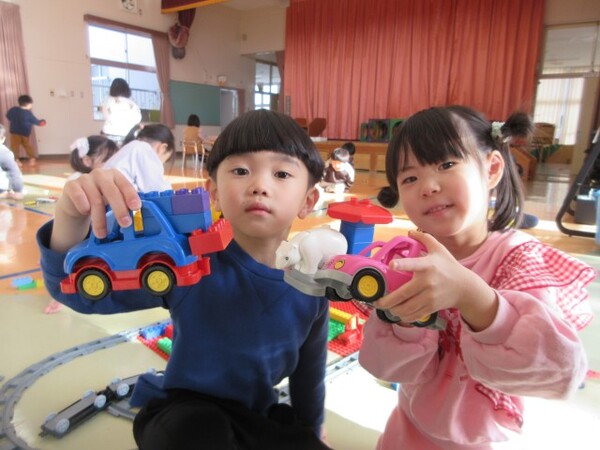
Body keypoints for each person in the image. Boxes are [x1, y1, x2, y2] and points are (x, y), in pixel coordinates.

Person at [36, 109, 330, 449]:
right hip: (186, 413)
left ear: (308, 200)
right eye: (240, 170)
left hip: (257, 416)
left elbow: (309, 376)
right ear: (213, 192)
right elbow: (77, 292)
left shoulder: (312, 285)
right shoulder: (191, 264)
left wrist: (312, 427)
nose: (260, 186)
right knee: (195, 434)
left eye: (281, 173)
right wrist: (70, 216)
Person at [363, 105, 595, 449]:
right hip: (405, 429)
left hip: (480, 442)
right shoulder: (409, 261)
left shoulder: (518, 259)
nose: (428, 186)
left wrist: (473, 297)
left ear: (492, 169)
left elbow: (559, 374)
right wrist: (404, 319)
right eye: (410, 178)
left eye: (446, 165)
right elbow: (384, 367)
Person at [43, 135, 119, 314]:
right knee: (71, 264)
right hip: (81, 233)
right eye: (107, 160)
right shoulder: (80, 181)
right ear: (86, 160)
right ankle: (60, 295)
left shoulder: (99, 179)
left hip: (94, 230)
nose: (112, 164)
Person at [102, 123, 175, 193]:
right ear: (163, 148)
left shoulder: (131, 146)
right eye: (163, 161)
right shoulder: (144, 149)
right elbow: (158, 189)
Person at [5, 94, 46, 167]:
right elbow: (36, 122)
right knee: (27, 146)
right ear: (28, 104)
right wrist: (42, 122)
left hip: (14, 133)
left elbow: (8, 116)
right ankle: (32, 159)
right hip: (24, 134)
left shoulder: (13, 109)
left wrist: (14, 120)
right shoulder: (28, 113)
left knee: (14, 147)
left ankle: (16, 160)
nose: (31, 105)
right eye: (31, 104)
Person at [101, 78, 142, 145]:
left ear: (112, 89)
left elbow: (105, 116)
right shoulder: (133, 104)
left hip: (109, 135)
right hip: (129, 136)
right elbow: (138, 119)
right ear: (127, 89)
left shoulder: (107, 101)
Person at [0, 124, 25, 200]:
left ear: (2, 139)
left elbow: (14, 172)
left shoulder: (4, 153)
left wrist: (18, 190)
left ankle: (4, 193)